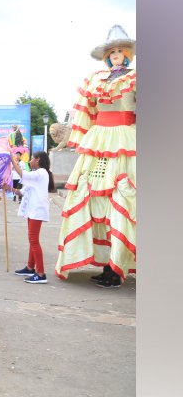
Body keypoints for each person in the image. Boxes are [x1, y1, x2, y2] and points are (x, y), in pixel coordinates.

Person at [56, 25, 136, 288]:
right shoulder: (94, 79)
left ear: (126, 54)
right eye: (111, 51)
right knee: (93, 203)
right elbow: (85, 114)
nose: (115, 55)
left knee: (121, 200)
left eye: (119, 51)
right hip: (99, 140)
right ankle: (106, 266)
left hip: (125, 139)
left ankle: (118, 268)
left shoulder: (137, 77)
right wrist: (80, 140)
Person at [10, 151, 55, 283]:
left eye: (31, 159)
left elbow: (22, 174)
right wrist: (9, 188)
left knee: (34, 240)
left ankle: (40, 273)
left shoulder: (41, 173)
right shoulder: (37, 175)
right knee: (32, 239)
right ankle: (30, 267)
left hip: (37, 210)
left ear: (38, 160)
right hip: (32, 211)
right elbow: (22, 192)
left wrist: (12, 161)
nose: (30, 161)